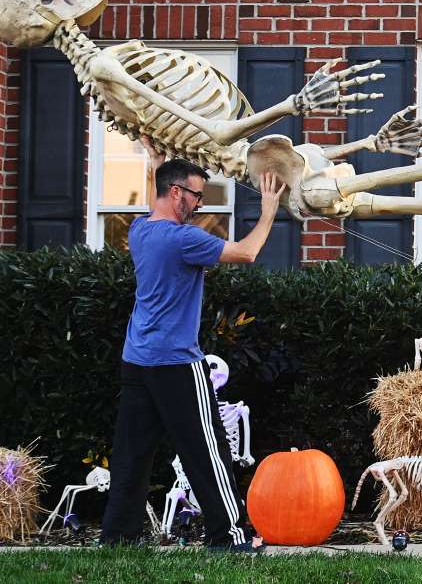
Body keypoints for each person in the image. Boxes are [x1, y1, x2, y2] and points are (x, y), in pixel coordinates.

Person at [101, 136, 285, 552]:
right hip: (176, 363)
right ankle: (230, 537)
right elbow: (247, 252)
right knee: (208, 452)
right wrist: (269, 211)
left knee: (132, 453)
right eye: (197, 195)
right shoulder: (184, 241)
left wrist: (157, 162)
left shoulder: (141, 230)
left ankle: (118, 537)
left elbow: (159, 203)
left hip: (137, 360)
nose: (201, 203)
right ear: (177, 192)